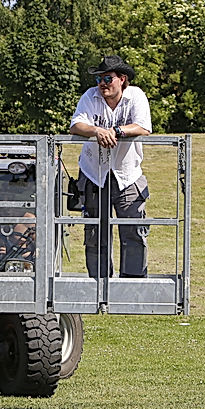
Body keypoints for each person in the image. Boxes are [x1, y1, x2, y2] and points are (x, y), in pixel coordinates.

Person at [68, 54, 153, 278]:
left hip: (128, 175)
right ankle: (99, 283)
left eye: (107, 79)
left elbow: (144, 127)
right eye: (99, 80)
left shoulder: (136, 95)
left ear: (122, 79)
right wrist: (97, 131)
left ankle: (132, 285)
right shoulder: (90, 96)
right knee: (96, 232)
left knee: (134, 230)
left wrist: (117, 131)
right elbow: (76, 125)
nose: (102, 84)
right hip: (94, 174)